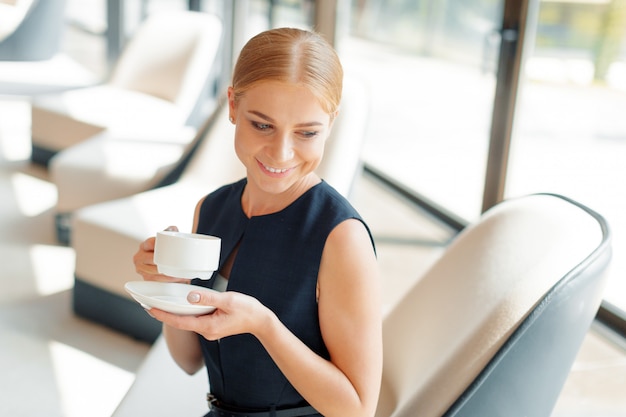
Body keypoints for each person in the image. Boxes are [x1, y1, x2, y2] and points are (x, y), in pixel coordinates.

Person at [133, 27, 382, 417]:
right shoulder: (212, 209)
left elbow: (358, 410)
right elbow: (189, 360)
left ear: (330, 124)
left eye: (307, 132)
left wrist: (264, 325)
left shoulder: (341, 237)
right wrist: (171, 287)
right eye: (262, 125)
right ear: (232, 105)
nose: (281, 153)